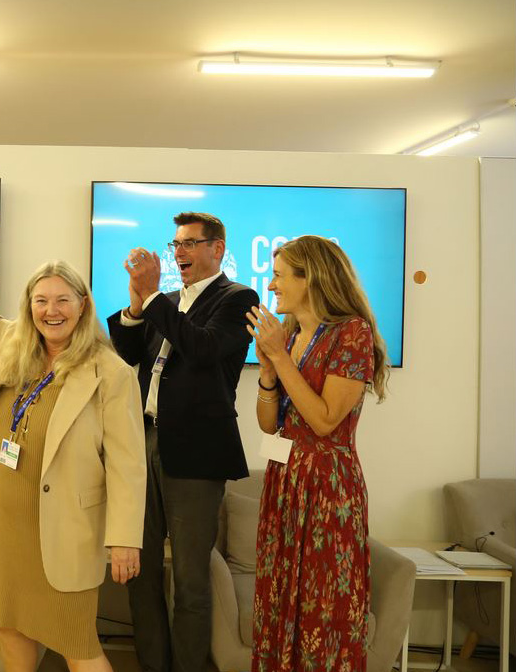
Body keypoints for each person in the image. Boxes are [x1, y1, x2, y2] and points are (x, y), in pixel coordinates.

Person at [0, 207, 146, 672]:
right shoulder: (14, 345)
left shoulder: (111, 373)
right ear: (30, 306)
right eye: (42, 301)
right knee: (11, 629)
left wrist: (125, 539)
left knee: (77, 643)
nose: (52, 311)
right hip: (10, 523)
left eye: (63, 300)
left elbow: (129, 464)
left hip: (68, 528)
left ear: (83, 305)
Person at [107, 211, 258, 672]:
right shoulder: (166, 302)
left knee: (191, 581)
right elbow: (129, 355)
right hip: (144, 442)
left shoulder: (238, 298)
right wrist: (137, 307)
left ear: (218, 249)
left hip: (196, 454)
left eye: (191, 243)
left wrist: (152, 298)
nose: (180, 253)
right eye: (176, 245)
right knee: (140, 572)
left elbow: (204, 348)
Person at [245, 236, 388, 672]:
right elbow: (271, 425)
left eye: (280, 276)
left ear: (311, 279)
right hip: (285, 482)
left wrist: (278, 359)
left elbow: (326, 422)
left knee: (323, 608)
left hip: (328, 489)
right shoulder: (288, 335)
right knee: (278, 601)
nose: (271, 287)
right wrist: (268, 374)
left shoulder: (352, 333)